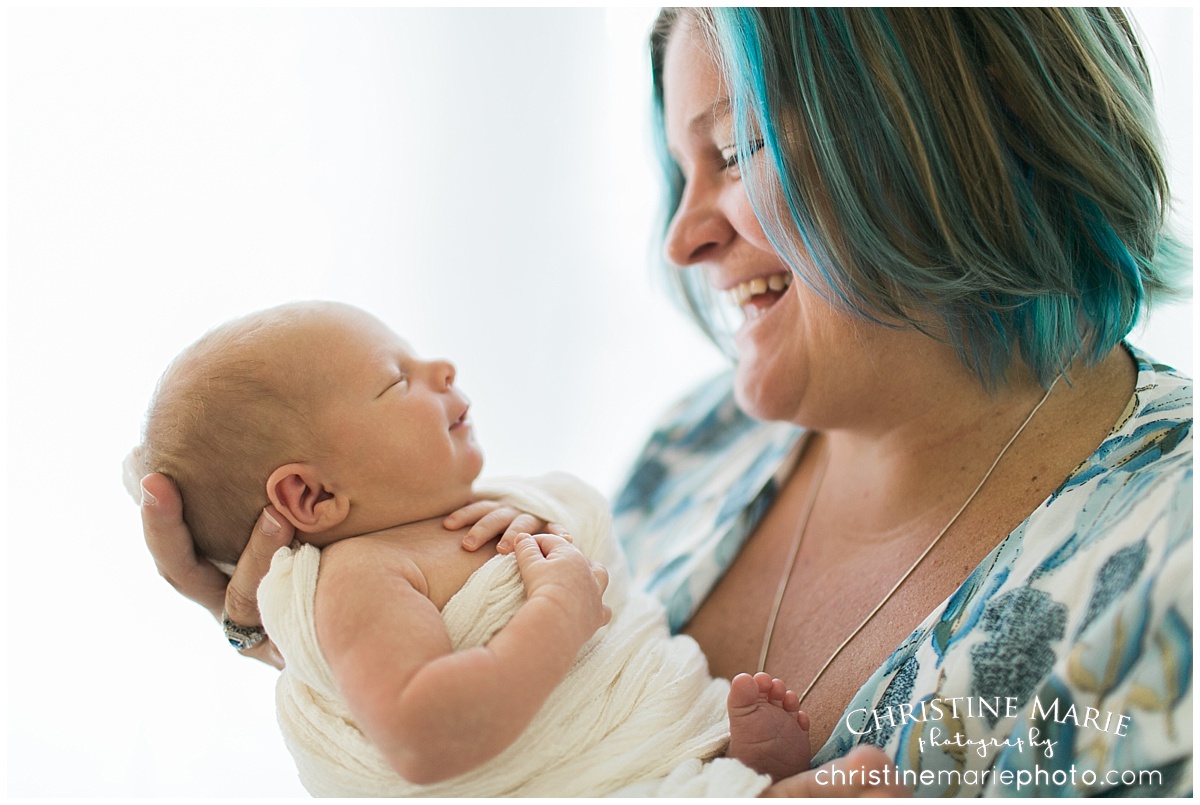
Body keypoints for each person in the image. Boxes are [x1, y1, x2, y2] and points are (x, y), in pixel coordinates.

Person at [140, 8, 1190, 798]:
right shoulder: (700, 446)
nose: (680, 239)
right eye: (680, 171)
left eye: (732, 152)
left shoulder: (1172, 561)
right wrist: (314, 641)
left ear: (949, 140)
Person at [129, 300, 811, 797]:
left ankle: (716, 760)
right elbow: (423, 734)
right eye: (397, 379)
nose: (441, 367)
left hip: (629, 746)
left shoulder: (484, 509)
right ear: (311, 497)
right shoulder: (360, 577)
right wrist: (558, 608)